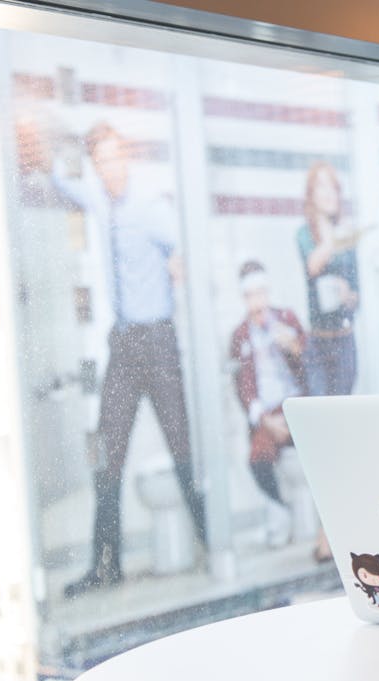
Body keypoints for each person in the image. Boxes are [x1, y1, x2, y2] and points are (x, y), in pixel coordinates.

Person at [51, 122, 208, 598]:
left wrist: (180, 265)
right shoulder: (101, 201)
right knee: (107, 455)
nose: (109, 169)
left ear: (128, 159)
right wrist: (59, 139)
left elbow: (185, 249)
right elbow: (62, 181)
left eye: (116, 158)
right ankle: (106, 565)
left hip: (158, 340)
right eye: (101, 162)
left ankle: (211, 544)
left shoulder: (149, 205)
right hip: (122, 344)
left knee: (182, 448)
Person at [229, 260, 303, 549]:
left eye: (260, 293)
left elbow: (310, 364)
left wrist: (294, 348)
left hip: (298, 403)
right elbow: (243, 388)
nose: (256, 302)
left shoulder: (287, 319)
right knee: (257, 458)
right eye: (249, 296)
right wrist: (264, 420)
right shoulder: (240, 336)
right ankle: (280, 511)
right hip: (269, 412)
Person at [296, 162, 360, 397]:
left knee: (342, 414)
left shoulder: (347, 236)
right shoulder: (304, 234)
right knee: (319, 410)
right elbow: (313, 265)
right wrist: (335, 238)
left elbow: (357, 294)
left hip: (344, 340)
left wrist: (348, 294)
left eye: (334, 188)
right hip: (317, 341)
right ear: (311, 195)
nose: (329, 193)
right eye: (322, 187)